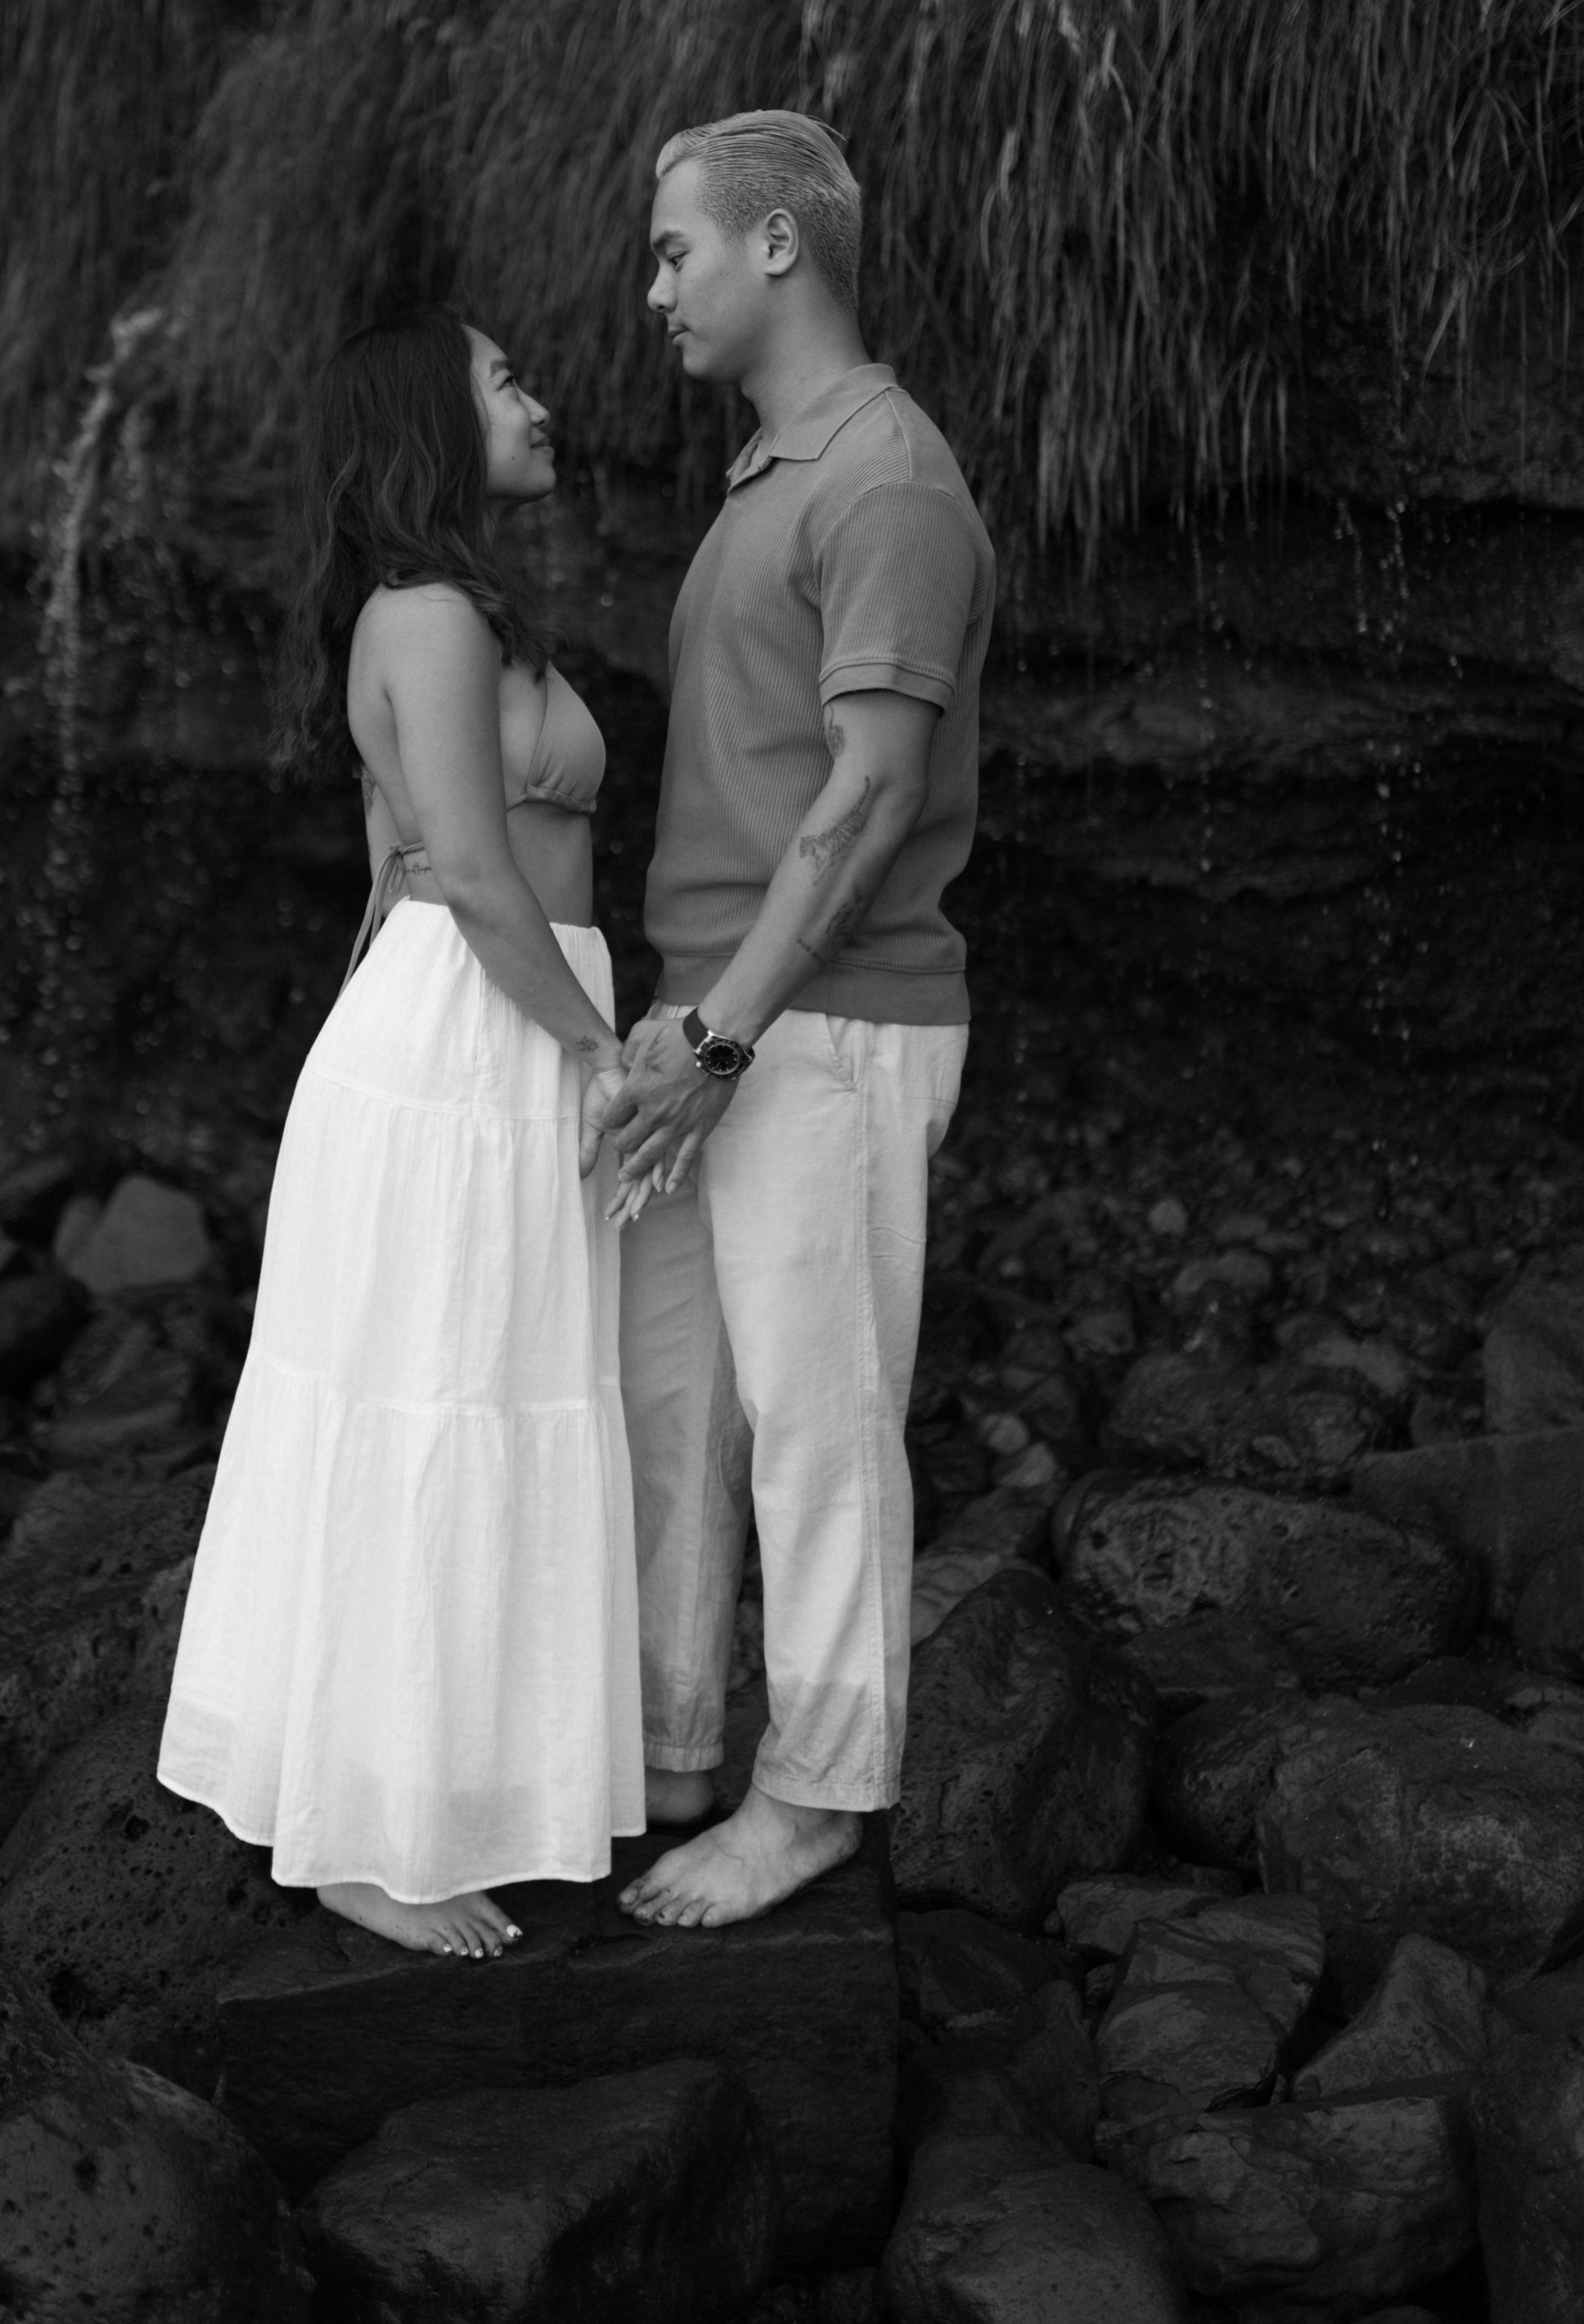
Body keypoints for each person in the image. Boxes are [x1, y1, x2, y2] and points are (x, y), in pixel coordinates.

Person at [156, 304, 643, 1958]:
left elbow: (414, 868)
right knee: (431, 1400)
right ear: (434, 421)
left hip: (477, 1029)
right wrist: (605, 1056)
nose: (538, 393)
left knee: (488, 1394)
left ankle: (455, 1789)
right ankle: (363, 1837)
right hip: (468, 1038)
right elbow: (473, 872)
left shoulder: (456, 610)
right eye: (505, 376)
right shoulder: (425, 615)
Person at [602, 110, 994, 1931]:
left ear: (777, 244)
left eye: (674, 249)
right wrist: (685, 1027)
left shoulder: (885, 479)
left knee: (820, 1417)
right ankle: (674, 1746)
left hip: (816, 1026)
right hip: (717, 1018)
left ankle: (817, 1789)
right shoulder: (768, 477)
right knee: (676, 1410)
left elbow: (865, 798)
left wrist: (728, 1036)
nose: (653, 287)